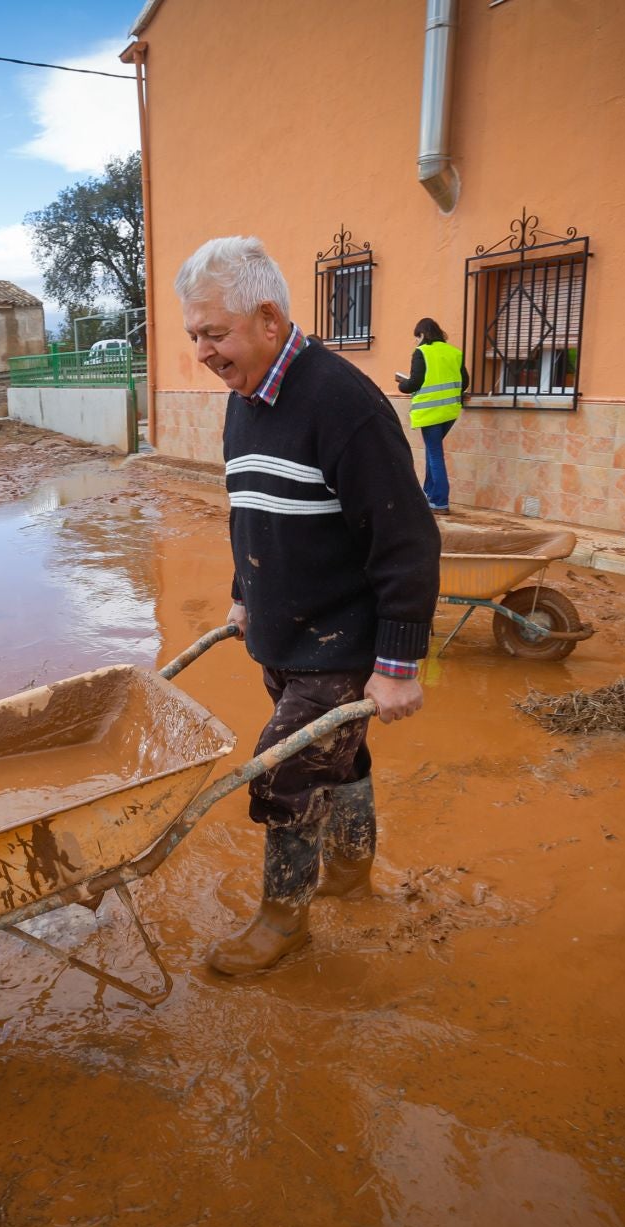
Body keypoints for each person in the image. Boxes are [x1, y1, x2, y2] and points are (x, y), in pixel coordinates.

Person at [176, 236, 440, 976]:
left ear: (267, 319)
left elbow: (407, 540)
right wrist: (242, 597)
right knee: (337, 758)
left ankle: (283, 922)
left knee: (284, 771)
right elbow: (250, 514)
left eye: (214, 333)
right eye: (194, 335)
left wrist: (396, 665)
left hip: (343, 641)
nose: (202, 351)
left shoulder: (341, 403)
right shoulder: (244, 402)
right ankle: (352, 872)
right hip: (282, 634)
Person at [393, 319, 468, 512]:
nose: (416, 342)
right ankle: (429, 493)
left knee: (435, 453)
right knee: (432, 449)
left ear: (423, 335)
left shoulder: (422, 352)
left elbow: (416, 382)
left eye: (416, 337)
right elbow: (464, 381)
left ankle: (440, 501)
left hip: (431, 411)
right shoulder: (454, 352)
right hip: (450, 411)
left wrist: (402, 384)